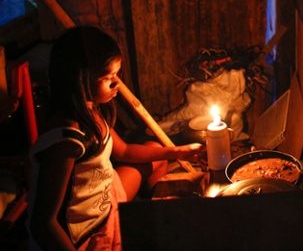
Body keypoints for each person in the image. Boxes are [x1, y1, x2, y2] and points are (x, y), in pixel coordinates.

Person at [27, 26, 203, 251]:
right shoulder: (65, 141)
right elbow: (43, 224)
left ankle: (146, 216)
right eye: (107, 77)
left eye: (116, 75)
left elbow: (126, 151)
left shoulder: (91, 110)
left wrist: (178, 152)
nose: (116, 83)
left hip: (104, 199)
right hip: (81, 234)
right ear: (80, 79)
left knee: (154, 150)